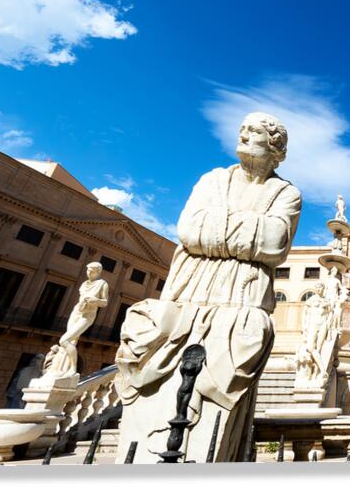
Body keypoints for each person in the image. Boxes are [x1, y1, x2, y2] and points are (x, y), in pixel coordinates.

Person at [115, 112, 301, 463]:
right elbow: (188, 229)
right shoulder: (212, 180)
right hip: (189, 291)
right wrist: (246, 234)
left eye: (254, 130)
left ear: (274, 145)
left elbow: (275, 242)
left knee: (224, 379)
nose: (243, 133)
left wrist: (215, 228)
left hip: (241, 297)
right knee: (162, 385)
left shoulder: (286, 193)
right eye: (243, 127)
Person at [59, 262, 108, 346]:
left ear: (98, 272)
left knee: (64, 340)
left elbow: (105, 302)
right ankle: (65, 358)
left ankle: (71, 359)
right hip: (77, 311)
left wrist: (96, 300)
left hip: (88, 315)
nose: (89, 273)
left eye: (92, 271)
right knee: (72, 340)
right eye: (88, 270)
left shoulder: (103, 284)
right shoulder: (84, 284)